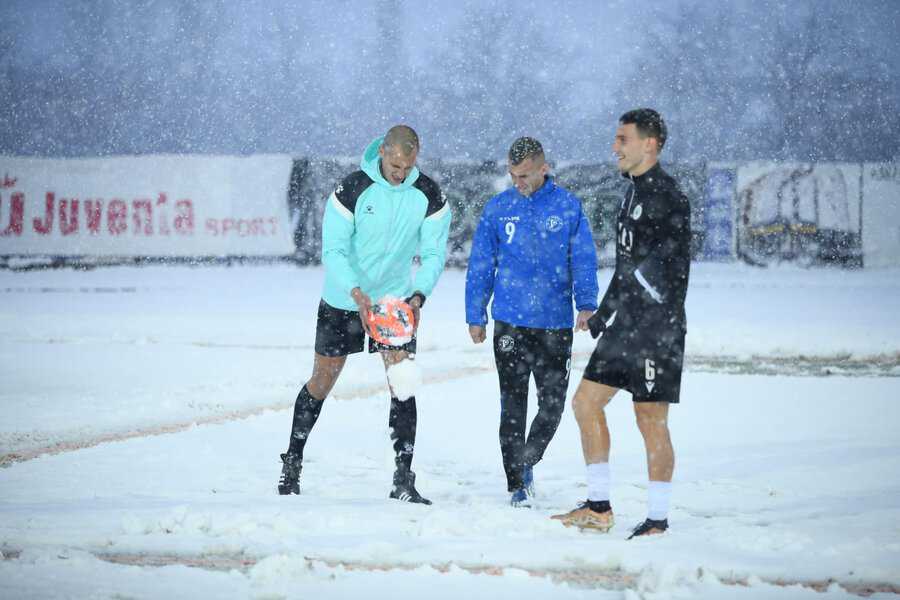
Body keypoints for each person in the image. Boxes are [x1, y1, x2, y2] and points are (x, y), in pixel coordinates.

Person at [277, 125, 452, 504]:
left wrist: (418, 296)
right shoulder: (351, 189)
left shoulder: (430, 195)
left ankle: (403, 479)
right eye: (394, 163)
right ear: (382, 152)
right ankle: (292, 462)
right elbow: (334, 251)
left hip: (394, 306)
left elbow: (434, 253)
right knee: (323, 380)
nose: (400, 172)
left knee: (402, 383)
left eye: (407, 165)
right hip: (344, 301)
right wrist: (355, 292)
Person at [551, 109, 691, 538]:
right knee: (585, 404)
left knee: (650, 420)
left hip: (656, 331)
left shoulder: (670, 197)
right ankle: (598, 507)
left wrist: (645, 317)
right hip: (625, 327)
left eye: (622, 139)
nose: (615, 147)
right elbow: (627, 268)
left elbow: (667, 273)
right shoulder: (630, 193)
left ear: (650, 144)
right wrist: (603, 316)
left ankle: (658, 520)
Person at [465, 137, 599, 507]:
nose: (517, 182)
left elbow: (583, 260)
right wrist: (475, 314)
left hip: (554, 325)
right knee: (512, 406)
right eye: (512, 174)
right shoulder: (498, 209)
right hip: (509, 324)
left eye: (524, 175)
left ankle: (527, 460)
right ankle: (516, 485)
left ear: (543, 168)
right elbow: (481, 265)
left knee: (553, 406)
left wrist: (586, 304)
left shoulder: (568, 207)